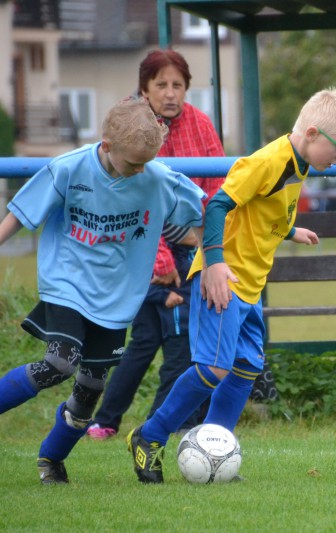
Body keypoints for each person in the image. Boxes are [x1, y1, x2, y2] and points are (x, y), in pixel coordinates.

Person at [127, 87, 336, 483]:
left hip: (249, 283)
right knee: (214, 367)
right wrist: (215, 264)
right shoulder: (268, 161)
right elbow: (218, 205)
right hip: (224, 277)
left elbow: (263, 210)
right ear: (311, 133)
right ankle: (149, 436)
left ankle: (215, 447)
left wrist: (291, 230)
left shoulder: (300, 163)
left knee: (246, 366)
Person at [0, 99, 206, 484]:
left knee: (90, 389)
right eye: (134, 163)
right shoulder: (69, 168)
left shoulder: (157, 178)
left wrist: (213, 260)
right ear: (107, 145)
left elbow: (198, 218)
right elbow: (19, 214)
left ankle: (51, 459)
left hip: (116, 296)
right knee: (60, 362)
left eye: (147, 163)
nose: (140, 171)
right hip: (67, 282)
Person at [87, 49, 229, 441]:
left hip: (192, 246)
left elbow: (219, 184)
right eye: (161, 84)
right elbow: (129, 195)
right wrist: (160, 259)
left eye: (177, 85)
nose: (170, 93)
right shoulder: (130, 124)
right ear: (144, 88)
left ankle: (107, 421)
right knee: (177, 343)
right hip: (141, 249)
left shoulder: (200, 123)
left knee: (147, 339)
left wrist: (206, 238)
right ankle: (159, 424)